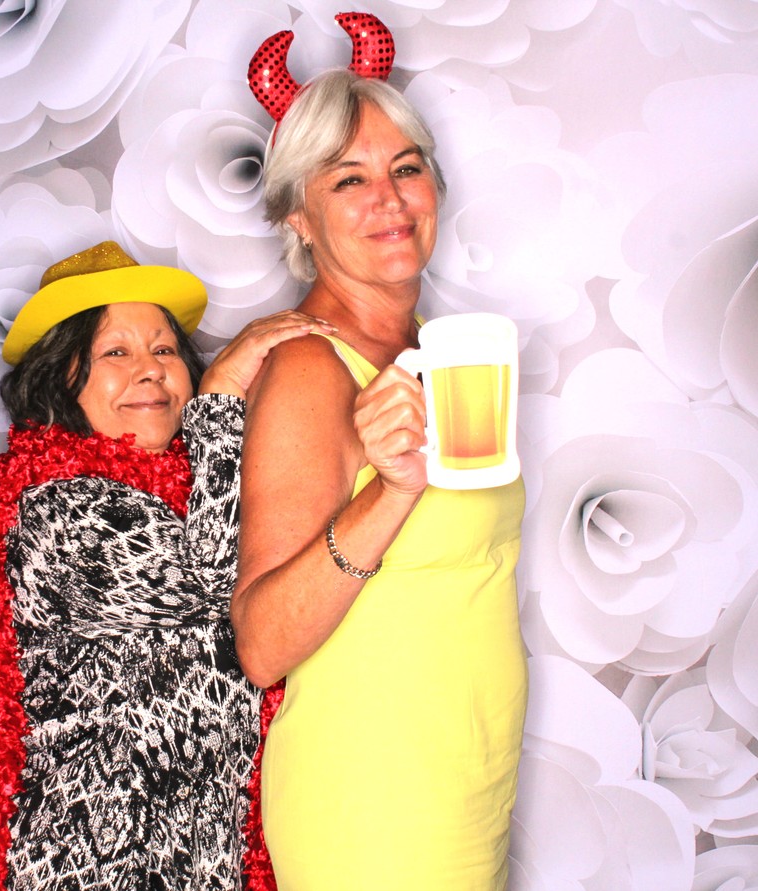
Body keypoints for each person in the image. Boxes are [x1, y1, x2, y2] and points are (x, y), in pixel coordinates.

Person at [233, 16, 528, 891]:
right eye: (349, 179)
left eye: (406, 168)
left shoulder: (438, 351)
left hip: (464, 789)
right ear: (300, 217)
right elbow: (261, 643)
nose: (390, 200)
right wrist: (391, 492)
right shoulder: (309, 370)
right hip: (374, 808)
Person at [0, 240, 333, 891]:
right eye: (115, 353)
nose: (149, 370)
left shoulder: (197, 491)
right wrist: (221, 396)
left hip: (205, 864)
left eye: (165, 350)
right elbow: (217, 583)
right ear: (62, 376)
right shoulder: (54, 506)